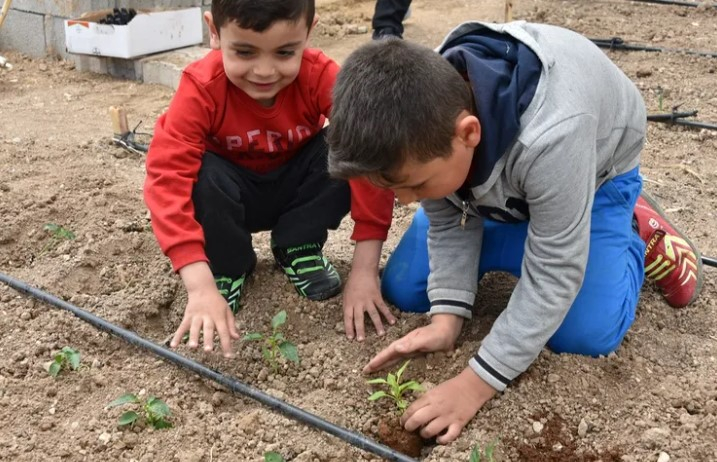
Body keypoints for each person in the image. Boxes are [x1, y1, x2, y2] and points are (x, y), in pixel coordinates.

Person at [328, 22, 703, 443]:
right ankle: (533, 220)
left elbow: (556, 272)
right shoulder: (420, 116)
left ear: (468, 133)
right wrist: (447, 318)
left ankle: (635, 228)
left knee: (586, 332)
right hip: (502, 182)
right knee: (405, 288)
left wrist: (475, 384)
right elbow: (448, 217)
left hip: (595, 173)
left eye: (413, 186)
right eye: (396, 189)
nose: (406, 202)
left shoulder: (553, 133)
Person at [144, 0, 391, 358]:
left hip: (296, 189)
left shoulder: (321, 76)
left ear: (308, 32)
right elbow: (167, 179)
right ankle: (226, 267)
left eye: (285, 52)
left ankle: (297, 245)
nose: (264, 70)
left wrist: (365, 269)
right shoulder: (200, 88)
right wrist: (199, 287)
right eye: (244, 52)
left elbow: (371, 152)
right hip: (228, 194)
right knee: (202, 173)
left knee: (345, 146)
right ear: (214, 32)